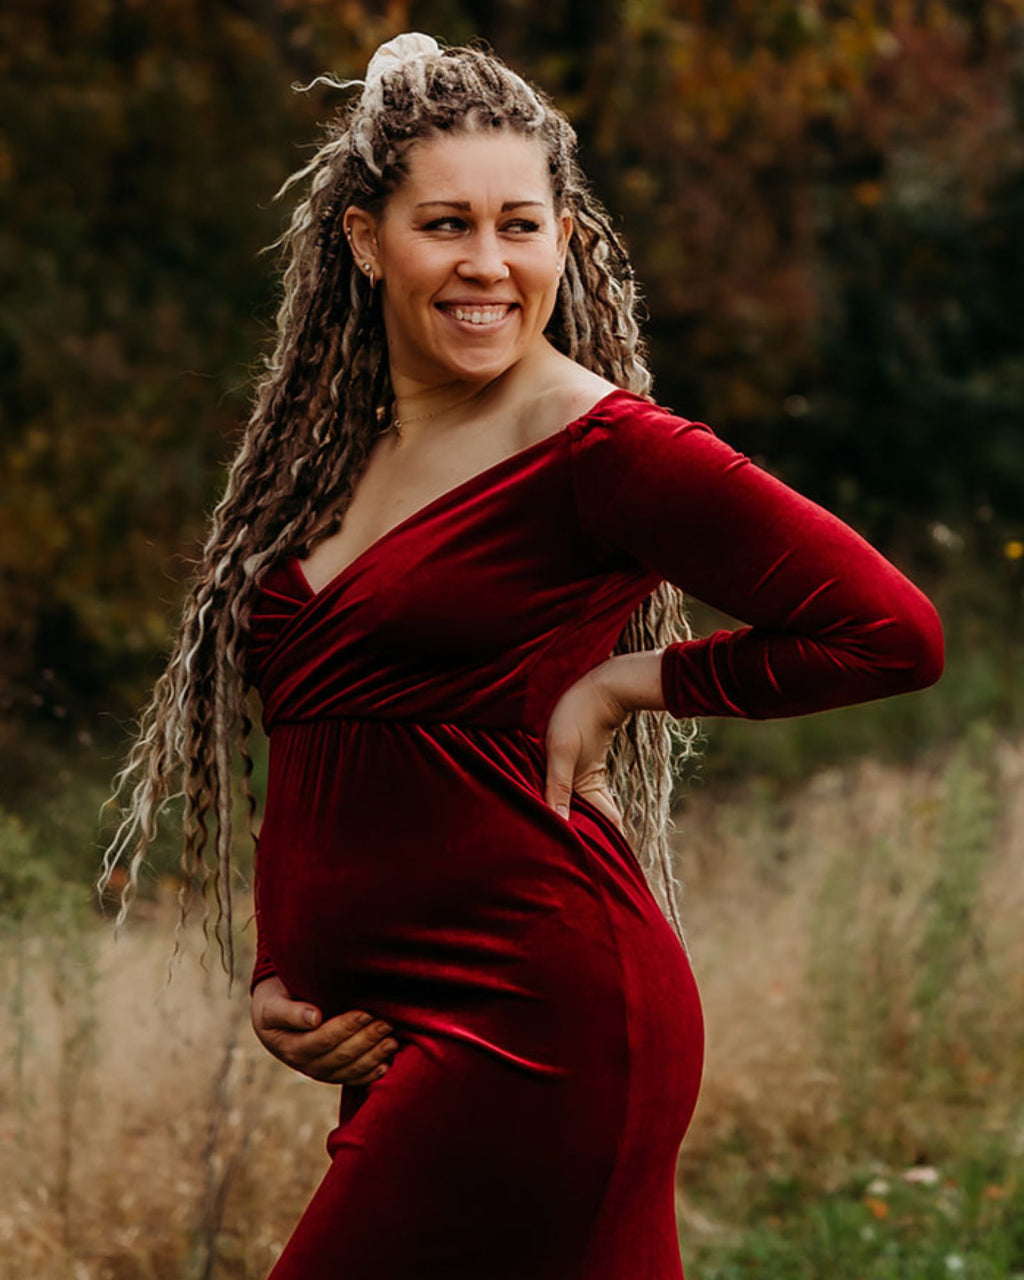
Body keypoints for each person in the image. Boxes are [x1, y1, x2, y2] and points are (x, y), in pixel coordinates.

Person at [99, 32, 943, 1280]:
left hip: (540, 1015)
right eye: (444, 224)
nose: (485, 264)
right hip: (388, 1028)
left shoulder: (603, 449)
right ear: (361, 237)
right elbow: (322, 736)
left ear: (564, 238)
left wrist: (634, 681)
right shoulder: (327, 464)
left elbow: (891, 632)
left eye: (520, 224)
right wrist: (287, 967)